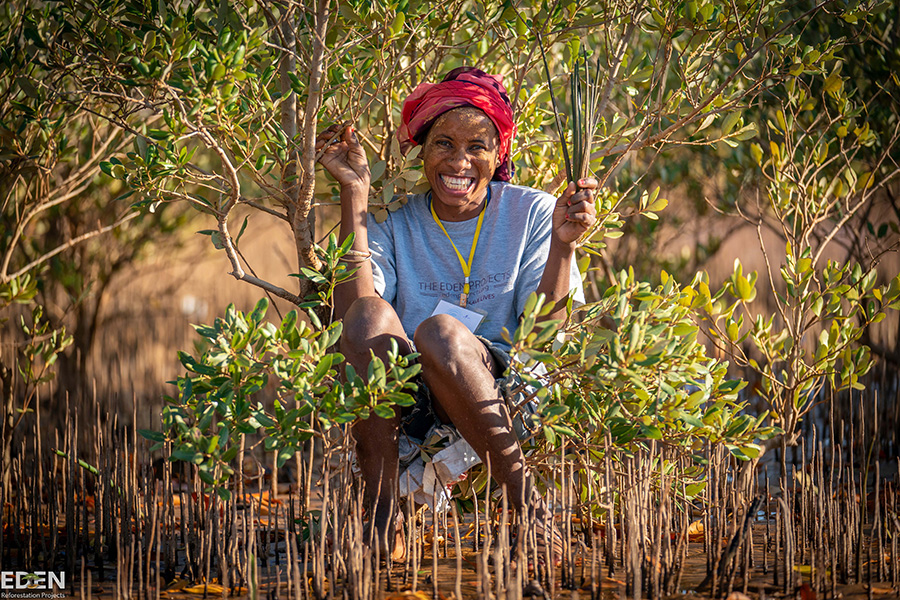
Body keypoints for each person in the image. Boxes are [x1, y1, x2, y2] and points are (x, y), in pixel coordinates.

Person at [315, 67, 597, 559]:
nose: (459, 161)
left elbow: (545, 332)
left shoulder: (533, 211)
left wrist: (564, 246)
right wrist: (354, 195)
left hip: (502, 392)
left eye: (477, 147)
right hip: (414, 394)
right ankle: (381, 512)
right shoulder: (394, 221)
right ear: (422, 151)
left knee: (443, 333)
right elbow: (351, 318)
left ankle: (525, 507)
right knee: (369, 317)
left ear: (498, 152)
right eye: (443, 144)